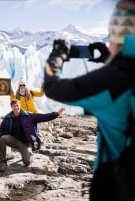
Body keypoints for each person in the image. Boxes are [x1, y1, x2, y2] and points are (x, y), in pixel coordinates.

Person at [43, 0, 135, 200]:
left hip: (118, 186)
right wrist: (110, 58)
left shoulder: (113, 80)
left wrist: (57, 56)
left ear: (118, 36)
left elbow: (52, 87)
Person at [0, 99, 65, 172]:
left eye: (17, 106)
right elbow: (2, 129)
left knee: (27, 162)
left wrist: (56, 114)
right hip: (14, 140)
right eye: (14, 106)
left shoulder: (29, 116)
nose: (16, 108)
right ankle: (3, 163)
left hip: (25, 143)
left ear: (20, 106)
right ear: (11, 107)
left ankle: (29, 153)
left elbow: (44, 117)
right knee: (2, 138)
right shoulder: (7, 118)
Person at [10, 78, 45, 150]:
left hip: (34, 114)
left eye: (23, 85)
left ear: (25, 86)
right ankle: (34, 144)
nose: (22, 86)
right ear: (18, 86)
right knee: (29, 131)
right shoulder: (16, 95)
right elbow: (12, 100)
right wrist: (10, 89)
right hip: (25, 115)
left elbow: (40, 94)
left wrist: (42, 86)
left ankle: (36, 143)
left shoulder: (31, 92)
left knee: (34, 130)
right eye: (20, 85)